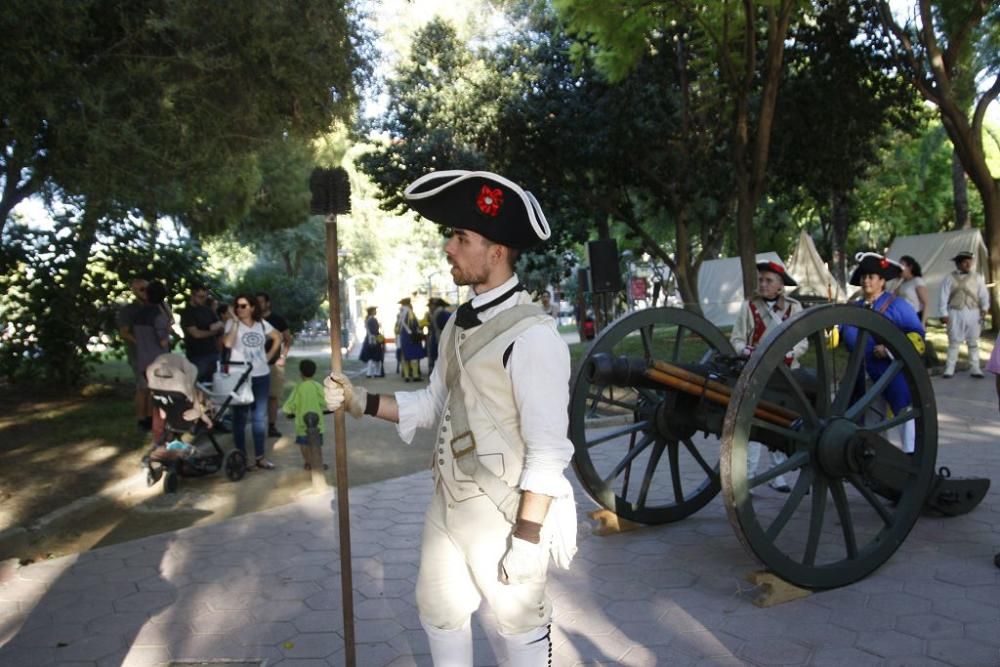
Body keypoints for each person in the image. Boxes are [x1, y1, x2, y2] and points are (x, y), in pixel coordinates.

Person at [324, 170, 577, 665]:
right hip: (448, 504)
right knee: (438, 612)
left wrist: (527, 542)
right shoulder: (457, 325)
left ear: (497, 252)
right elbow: (433, 404)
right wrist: (361, 402)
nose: (448, 247)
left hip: (504, 513)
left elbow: (548, 453)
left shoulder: (534, 337)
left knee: (518, 627)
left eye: (462, 238)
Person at [729, 261, 807, 493]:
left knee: (781, 422)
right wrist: (744, 351)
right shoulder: (748, 307)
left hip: (785, 374)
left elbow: (803, 340)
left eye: (768, 280)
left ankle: (779, 476)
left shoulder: (794, 308)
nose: (763, 284)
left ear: (780, 285)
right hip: (755, 371)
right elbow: (736, 339)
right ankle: (748, 479)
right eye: (761, 279)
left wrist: (791, 354)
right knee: (752, 425)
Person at [842, 252, 925, 454]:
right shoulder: (854, 309)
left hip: (892, 374)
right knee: (871, 421)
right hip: (865, 377)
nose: (865, 281)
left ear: (882, 281)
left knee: (904, 415)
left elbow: (918, 338)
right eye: (863, 277)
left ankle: (911, 456)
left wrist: (889, 349)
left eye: (871, 277)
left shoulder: (898, 306)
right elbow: (839, 335)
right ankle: (877, 461)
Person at [224, 293, 282, 469]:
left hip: (260, 375)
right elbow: (227, 344)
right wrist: (234, 321)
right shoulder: (231, 324)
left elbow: (278, 337)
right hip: (240, 376)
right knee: (239, 418)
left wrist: (269, 355)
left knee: (258, 418)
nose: (240, 309)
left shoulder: (261, 324)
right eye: (237, 306)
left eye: (244, 306)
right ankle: (242, 458)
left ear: (252, 308)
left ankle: (259, 457)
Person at [938, 251, 989, 378]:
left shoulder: (977, 277)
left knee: (973, 341)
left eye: (969, 261)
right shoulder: (948, 278)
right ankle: (949, 368)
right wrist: (943, 313)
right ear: (958, 263)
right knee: (954, 341)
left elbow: (983, 294)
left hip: (973, 312)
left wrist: (985, 307)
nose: (968, 264)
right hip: (955, 312)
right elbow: (943, 297)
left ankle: (975, 368)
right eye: (965, 261)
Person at [133, 281, 172, 439]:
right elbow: (163, 341)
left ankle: (148, 422)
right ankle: (160, 429)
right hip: (158, 361)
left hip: (143, 359)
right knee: (160, 398)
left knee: (149, 393)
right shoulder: (159, 316)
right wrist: (168, 331)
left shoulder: (139, 313)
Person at [257, 292, 293, 436]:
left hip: (273, 363)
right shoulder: (252, 320)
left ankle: (272, 426)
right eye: (256, 301)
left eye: (261, 301)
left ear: (268, 303)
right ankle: (258, 427)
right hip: (255, 365)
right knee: (258, 397)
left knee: (273, 396)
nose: (258, 304)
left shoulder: (277, 319)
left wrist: (283, 356)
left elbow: (287, 339)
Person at [282, 358, 328, 471]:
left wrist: (289, 412)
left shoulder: (298, 388)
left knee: (303, 444)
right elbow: (325, 401)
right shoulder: (317, 386)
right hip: (317, 423)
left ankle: (307, 462)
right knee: (316, 444)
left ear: (301, 373)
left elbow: (289, 404)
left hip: (301, 423)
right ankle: (317, 462)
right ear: (314, 372)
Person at [117, 277, 150, 430]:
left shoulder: (156, 307)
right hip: (138, 354)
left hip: (156, 354)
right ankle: (141, 419)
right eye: (141, 289)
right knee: (143, 387)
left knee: (154, 387)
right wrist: (141, 343)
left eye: (147, 288)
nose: (145, 292)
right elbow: (124, 332)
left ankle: (150, 417)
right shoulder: (128, 310)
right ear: (134, 291)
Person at [180, 283, 224, 382]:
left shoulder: (208, 310)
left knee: (217, 384)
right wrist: (213, 332)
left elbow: (220, 327)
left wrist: (217, 328)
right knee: (198, 386)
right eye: (200, 297)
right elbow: (196, 334)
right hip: (197, 356)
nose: (203, 299)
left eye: (205, 297)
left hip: (213, 353)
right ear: (192, 295)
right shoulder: (187, 313)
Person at [396, 296, 426, 382]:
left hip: (403, 337)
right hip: (411, 337)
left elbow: (397, 327)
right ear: (409, 304)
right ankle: (416, 375)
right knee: (414, 357)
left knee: (405, 357)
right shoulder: (410, 312)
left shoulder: (400, 314)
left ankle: (406, 376)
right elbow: (414, 324)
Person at [894, 255, 929, 329]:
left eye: (902, 265)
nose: (900, 268)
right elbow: (893, 296)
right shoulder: (902, 283)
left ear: (910, 267)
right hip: (902, 318)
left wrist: (922, 323)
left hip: (915, 316)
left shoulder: (917, 281)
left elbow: (925, 303)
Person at [425, 297, 452, 373]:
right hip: (436, 338)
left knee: (439, 357)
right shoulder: (436, 313)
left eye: (431, 305)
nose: (429, 307)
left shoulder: (441, 314)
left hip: (439, 339)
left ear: (436, 306)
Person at [360, 306, 386, 378]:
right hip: (374, 340)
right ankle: (376, 373)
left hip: (368, 340)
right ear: (372, 311)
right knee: (376, 357)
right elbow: (374, 331)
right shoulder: (373, 320)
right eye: (375, 310)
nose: (376, 311)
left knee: (371, 358)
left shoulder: (367, 319)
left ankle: (369, 373)